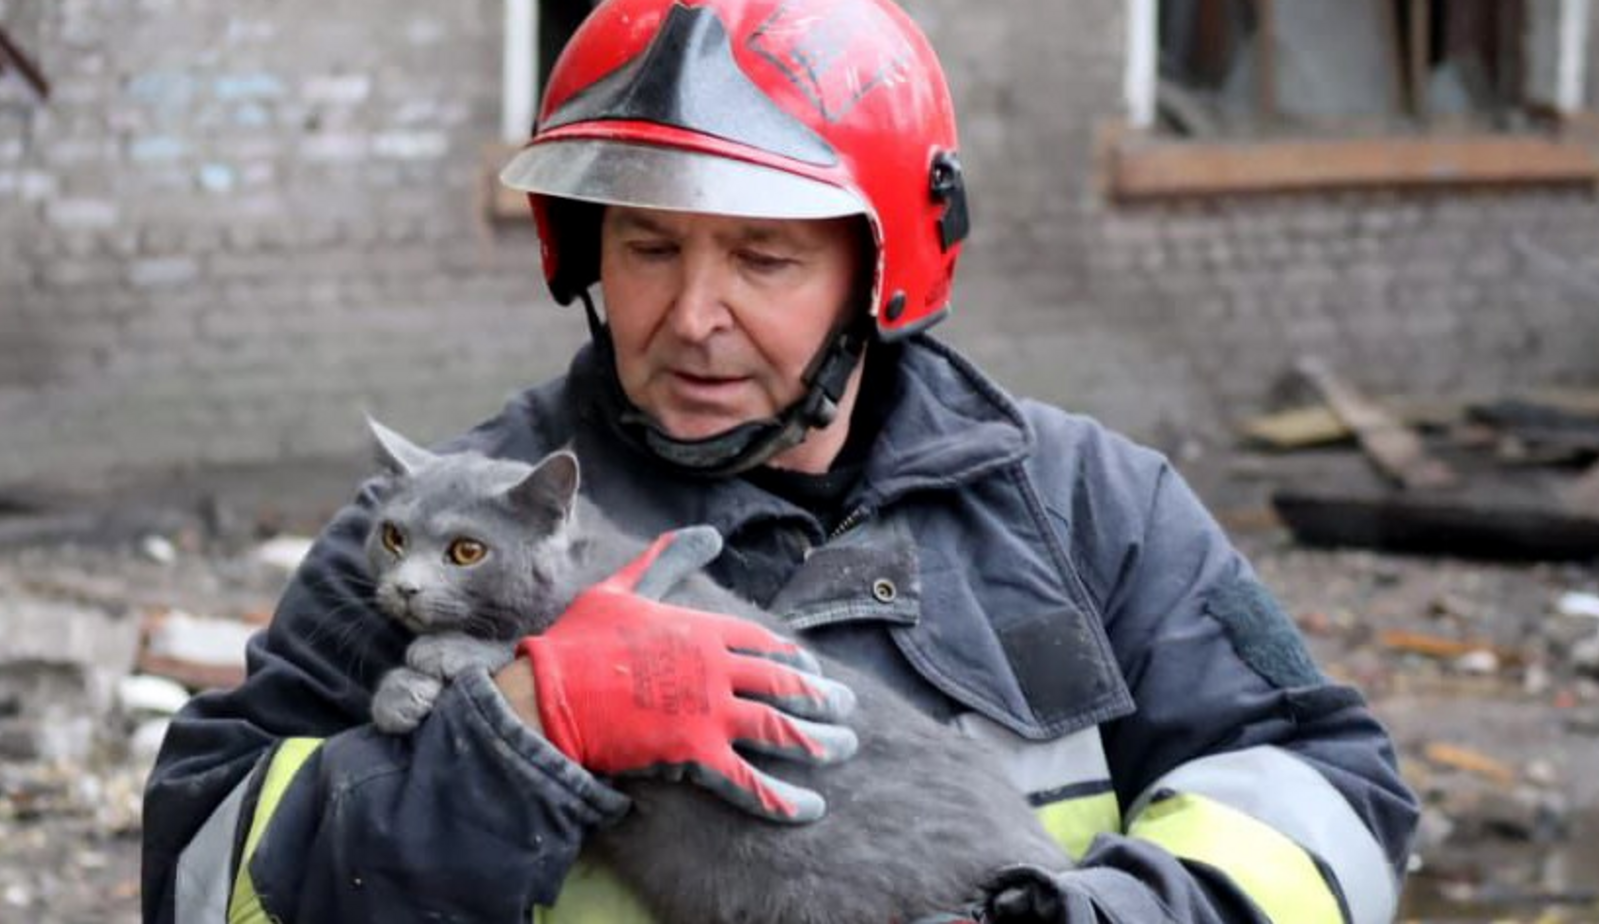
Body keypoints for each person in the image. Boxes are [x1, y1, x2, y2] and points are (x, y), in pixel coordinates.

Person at [141, 0, 1420, 920]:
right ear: (589, 256)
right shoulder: (444, 529)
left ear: (878, 275)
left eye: (763, 257)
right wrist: (514, 728)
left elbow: (1329, 798)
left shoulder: (1089, 508)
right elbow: (201, 881)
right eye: (648, 248)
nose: (692, 315)